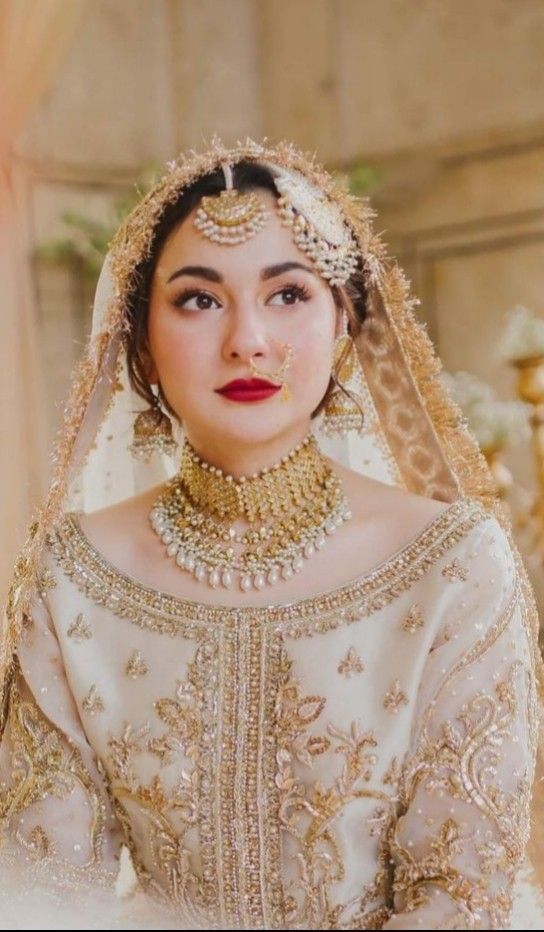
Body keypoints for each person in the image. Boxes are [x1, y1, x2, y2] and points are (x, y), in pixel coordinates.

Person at [1, 135, 543, 930]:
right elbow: (44, 891)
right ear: (141, 343)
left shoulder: (452, 564)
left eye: (288, 294)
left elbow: (464, 896)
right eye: (198, 298)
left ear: (344, 323)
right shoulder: (74, 574)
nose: (247, 340)